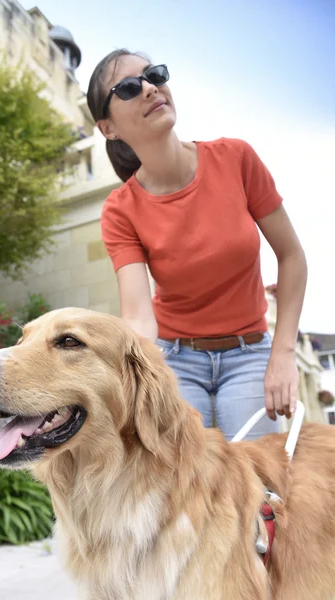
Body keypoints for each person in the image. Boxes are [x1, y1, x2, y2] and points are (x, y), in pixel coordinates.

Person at [86, 49, 307, 440]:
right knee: (183, 485)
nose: (151, 88)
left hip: (250, 352)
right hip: (176, 360)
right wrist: (133, 385)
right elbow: (138, 318)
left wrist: (283, 354)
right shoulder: (120, 210)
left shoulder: (236, 159)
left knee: (257, 484)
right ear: (108, 128)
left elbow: (292, 257)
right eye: (129, 88)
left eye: (154, 75)